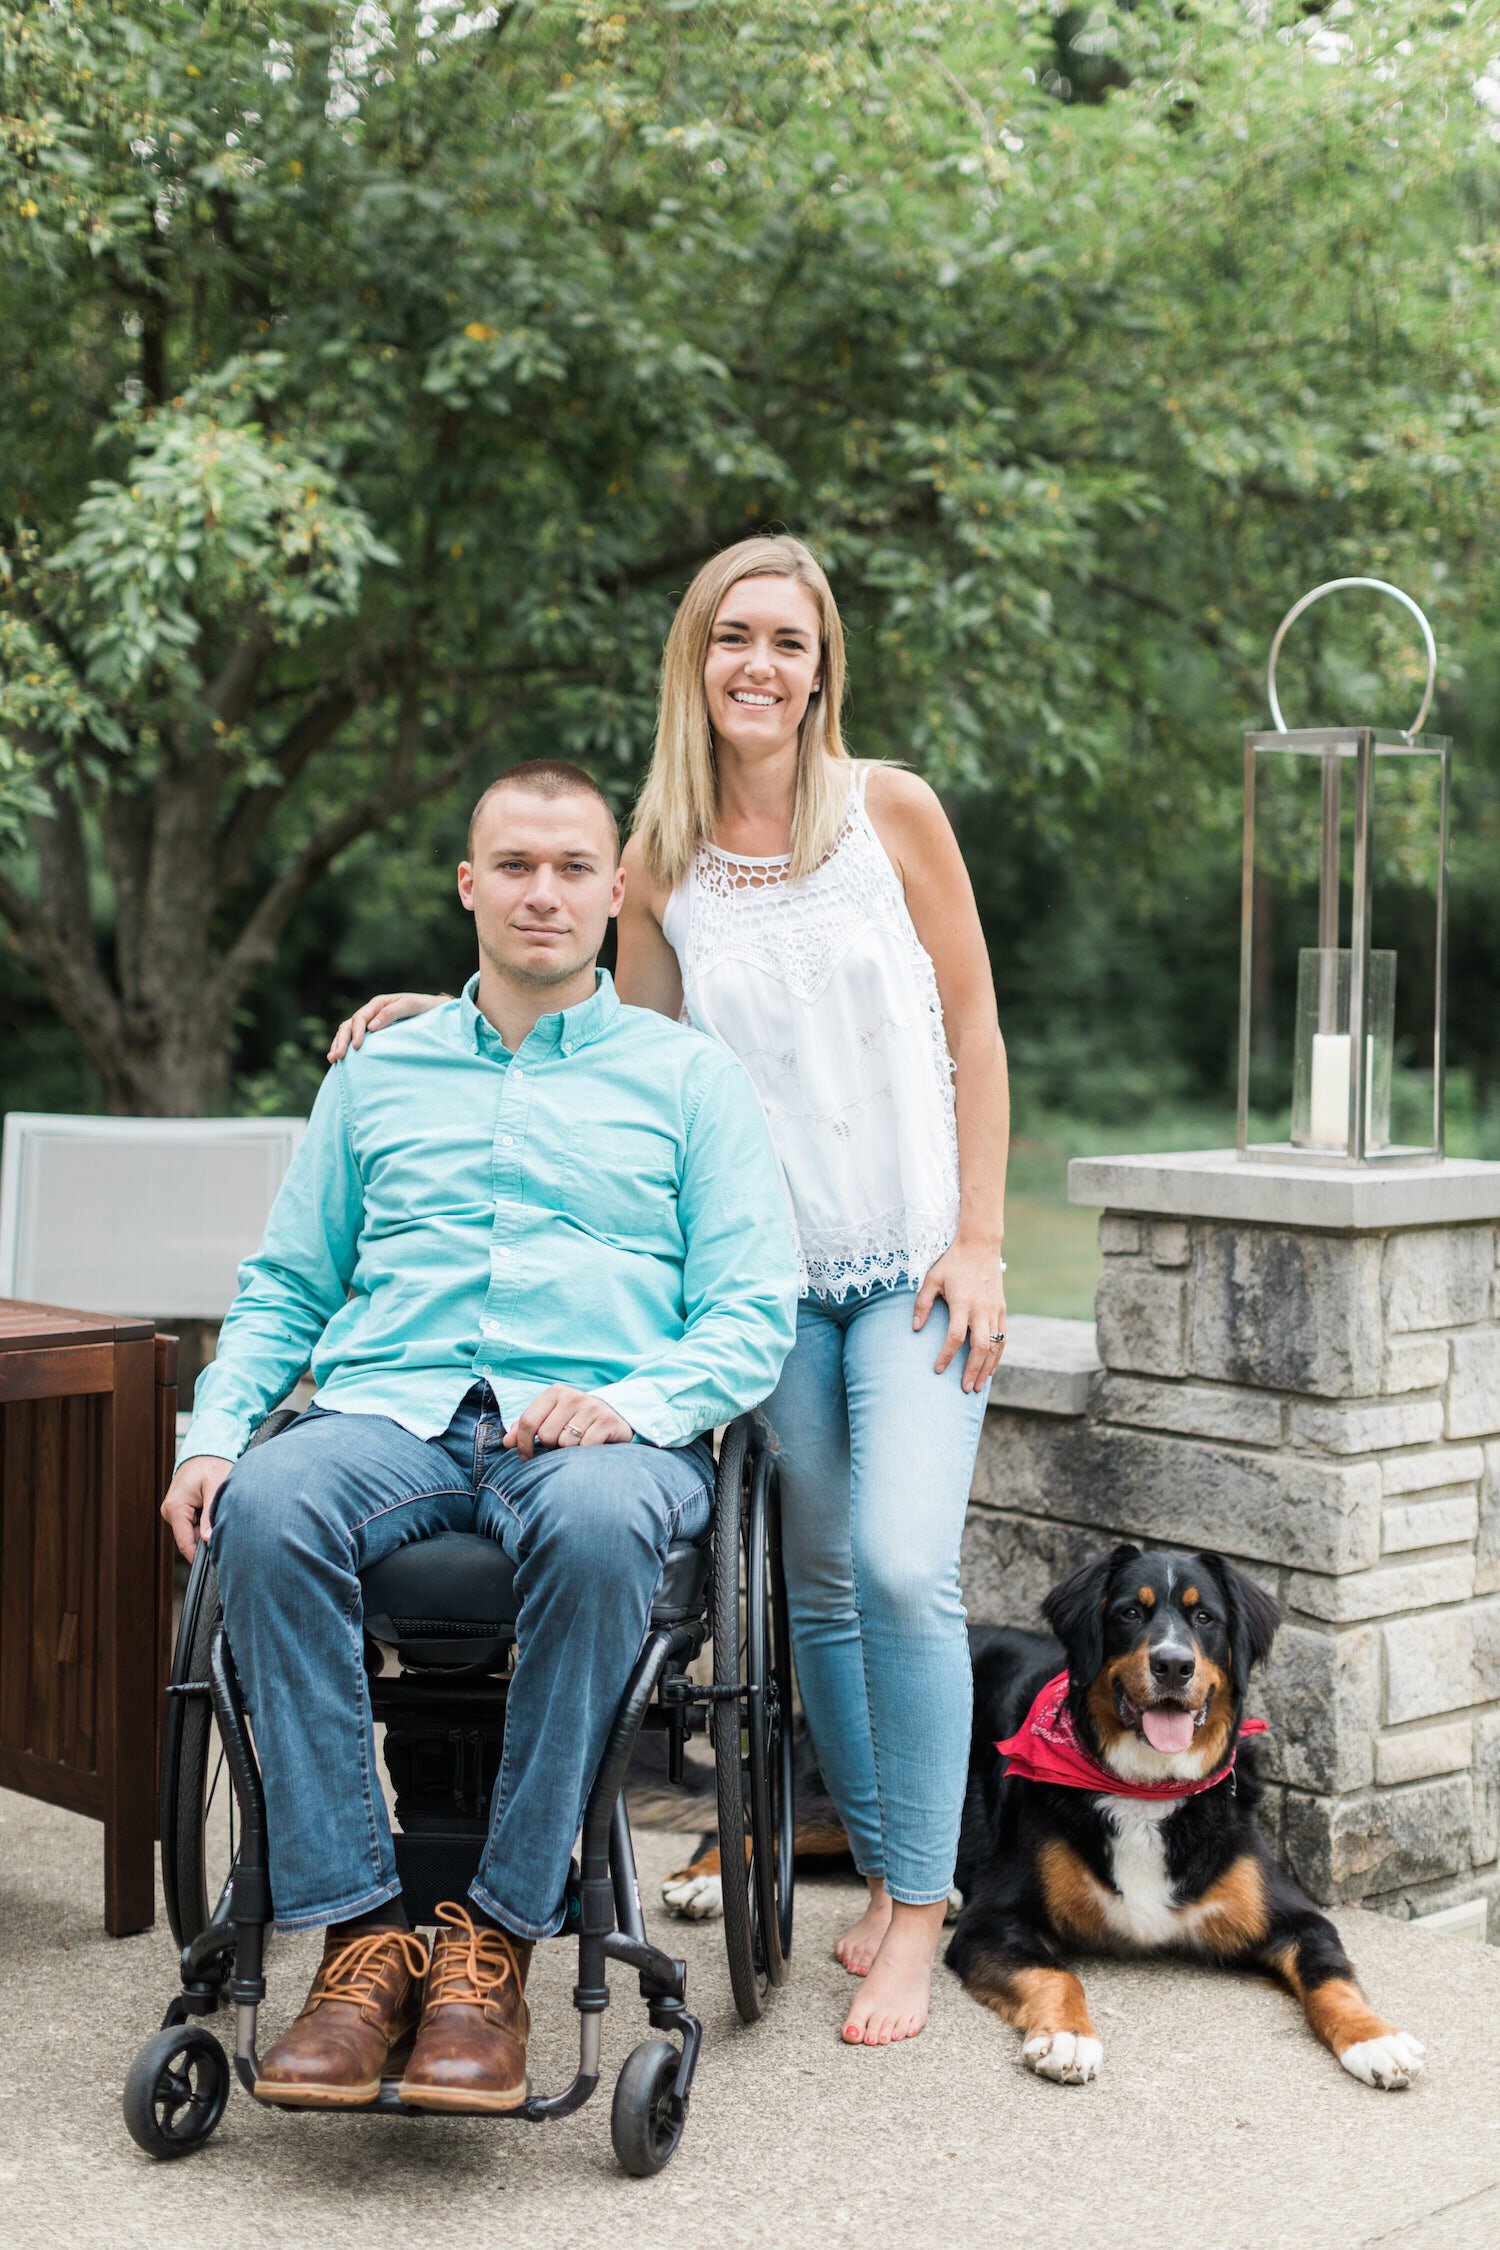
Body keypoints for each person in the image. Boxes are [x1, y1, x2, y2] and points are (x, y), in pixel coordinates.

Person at [331, 536, 1010, 2049]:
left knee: (904, 1567)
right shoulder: (666, 854)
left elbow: (973, 1018)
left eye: (788, 638)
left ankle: (919, 1899)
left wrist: (983, 1236)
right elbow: (605, 1062)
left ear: (824, 662)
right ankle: (889, 1882)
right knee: (819, 1584)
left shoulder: (890, 812)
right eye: (731, 638)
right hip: (768, 1282)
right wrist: (430, 1013)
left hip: (911, 1263)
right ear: (695, 662)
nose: (759, 664)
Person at [162, 760, 797, 2113]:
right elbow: (286, 1286)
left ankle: (496, 1936)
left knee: (591, 1518)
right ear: (469, 885)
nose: (544, 891)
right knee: (269, 1503)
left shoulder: (690, 1083)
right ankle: (359, 1934)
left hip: (594, 1435)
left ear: (615, 891)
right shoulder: (377, 1075)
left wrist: (633, 1402)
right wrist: (214, 1431)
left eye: (573, 867)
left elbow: (750, 1314)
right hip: (388, 1412)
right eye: (514, 864)